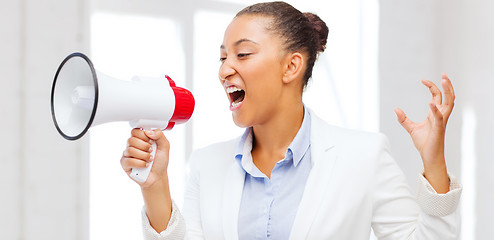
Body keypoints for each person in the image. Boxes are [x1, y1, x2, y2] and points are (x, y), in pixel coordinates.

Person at [120, 1, 462, 239]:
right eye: (222, 57)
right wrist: (155, 186)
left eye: (242, 53)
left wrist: (434, 163)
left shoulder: (364, 156)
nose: (225, 69)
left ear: (291, 66)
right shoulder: (207, 165)